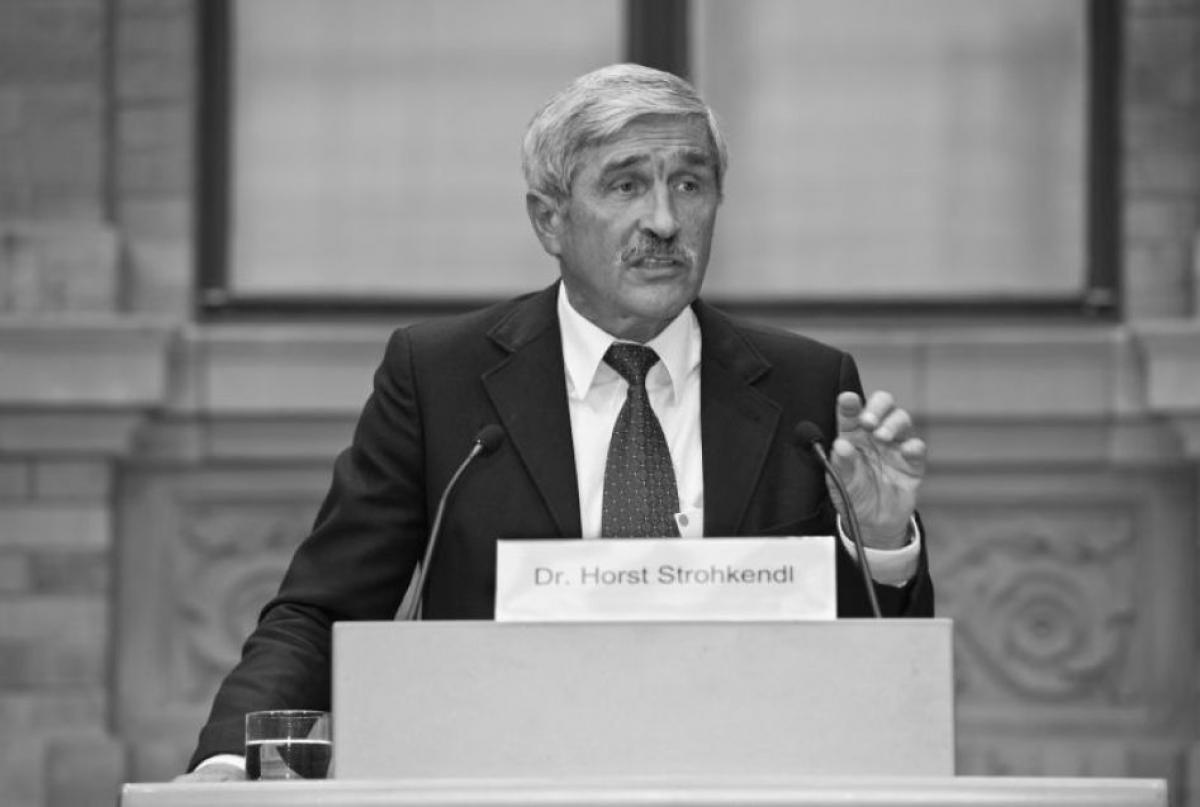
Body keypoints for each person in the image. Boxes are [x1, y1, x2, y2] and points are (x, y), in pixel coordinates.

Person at [180, 63, 932, 782]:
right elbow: (323, 610)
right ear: (549, 218)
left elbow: (870, 668)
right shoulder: (442, 378)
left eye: (690, 184)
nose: (665, 220)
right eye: (627, 184)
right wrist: (228, 766)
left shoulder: (809, 390)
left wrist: (881, 544)